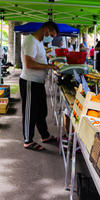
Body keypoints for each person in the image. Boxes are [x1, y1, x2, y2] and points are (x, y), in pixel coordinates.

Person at [19, 21, 59, 151]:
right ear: (46, 29)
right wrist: (49, 66)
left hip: (38, 82)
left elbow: (38, 59)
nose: (51, 38)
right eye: (51, 35)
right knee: (30, 112)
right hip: (30, 81)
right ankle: (28, 140)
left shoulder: (40, 42)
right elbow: (29, 64)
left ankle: (45, 135)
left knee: (41, 111)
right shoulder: (30, 41)